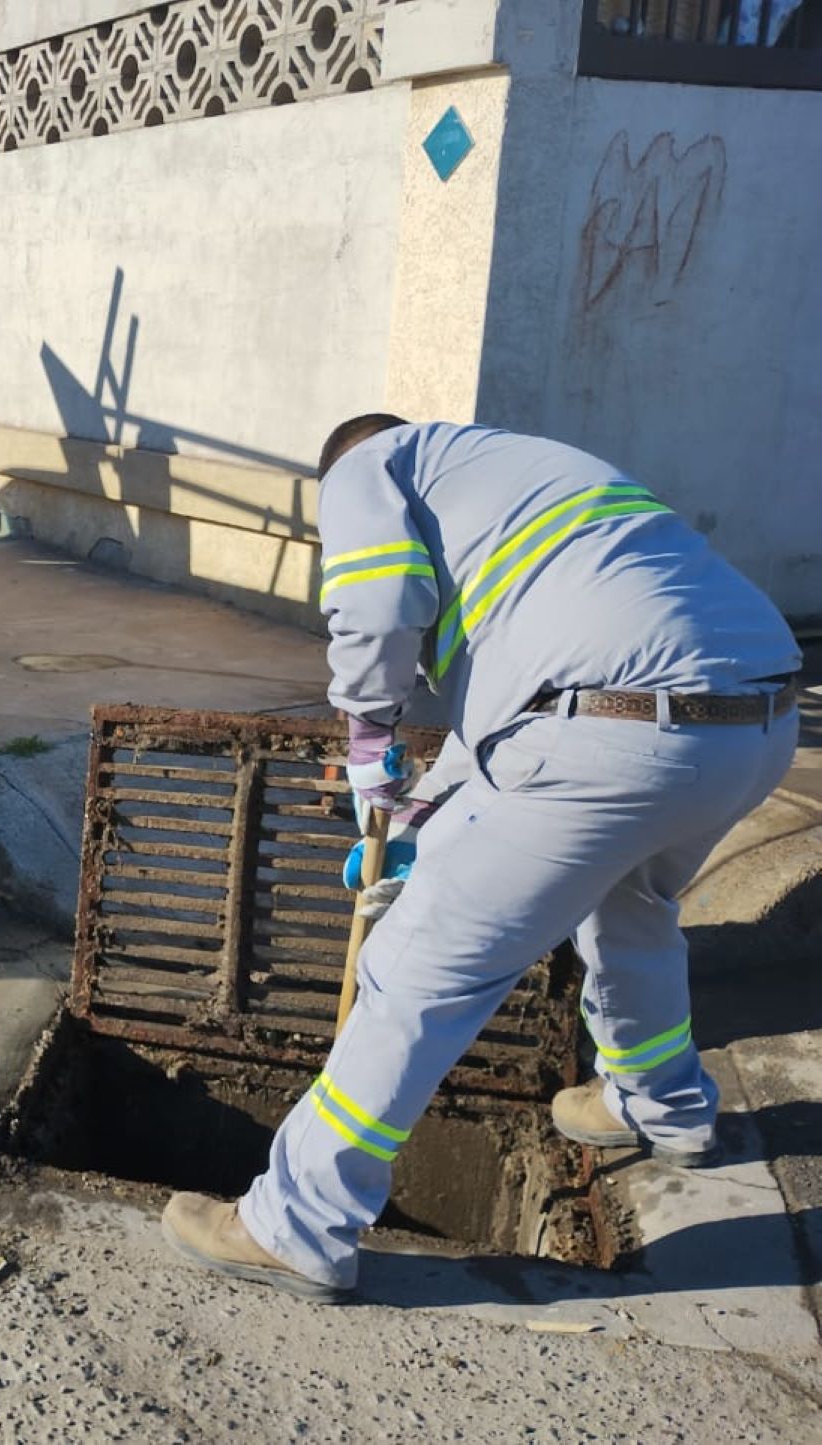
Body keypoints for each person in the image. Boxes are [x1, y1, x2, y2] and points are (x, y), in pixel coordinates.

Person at [162, 417, 802, 1303]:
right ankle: (662, 1107)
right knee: (631, 909)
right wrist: (420, 816)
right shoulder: (529, 478)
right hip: (752, 722)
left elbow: (378, 604)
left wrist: (366, 730)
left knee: (416, 969)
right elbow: (518, 720)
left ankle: (295, 1223)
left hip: (610, 733)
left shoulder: (367, 464)